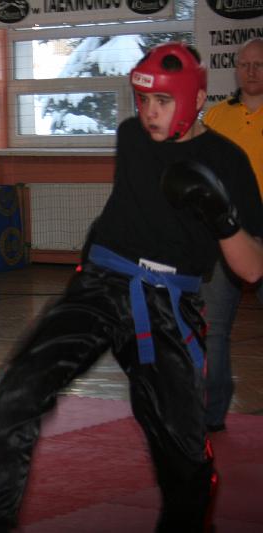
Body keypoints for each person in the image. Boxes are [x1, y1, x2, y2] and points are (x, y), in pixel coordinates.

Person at [0, 42, 263, 533]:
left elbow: (252, 270)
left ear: (197, 98)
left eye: (163, 101)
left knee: (182, 450)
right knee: (17, 390)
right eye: (144, 100)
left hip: (168, 305)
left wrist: (221, 217)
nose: (150, 113)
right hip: (98, 285)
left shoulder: (228, 161)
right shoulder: (132, 136)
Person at [200, 37, 263, 433]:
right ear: (236, 69)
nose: (251, 71)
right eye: (245, 64)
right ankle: (212, 414)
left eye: (259, 64)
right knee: (214, 330)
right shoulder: (216, 117)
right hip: (224, 235)